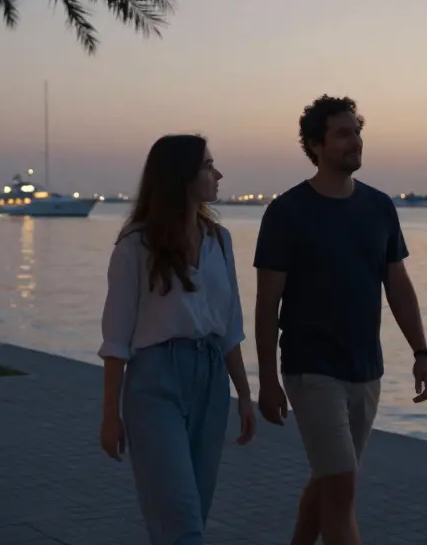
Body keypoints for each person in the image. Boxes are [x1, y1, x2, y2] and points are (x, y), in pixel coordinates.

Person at [253, 95, 427, 545]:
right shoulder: (286, 212)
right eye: (343, 133)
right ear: (316, 145)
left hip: (365, 370)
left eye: (357, 131)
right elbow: (265, 304)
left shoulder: (379, 207)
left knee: (329, 479)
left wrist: (421, 353)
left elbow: (398, 286)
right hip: (310, 368)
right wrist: (269, 381)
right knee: (342, 487)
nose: (355, 141)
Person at [99, 134, 257, 545]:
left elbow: (230, 325)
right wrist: (110, 413)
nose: (217, 174)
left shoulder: (219, 241)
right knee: (181, 523)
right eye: (208, 166)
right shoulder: (135, 245)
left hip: (211, 381)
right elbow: (116, 337)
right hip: (156, 381)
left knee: (192, 518)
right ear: (181, 176)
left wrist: (243, 393)